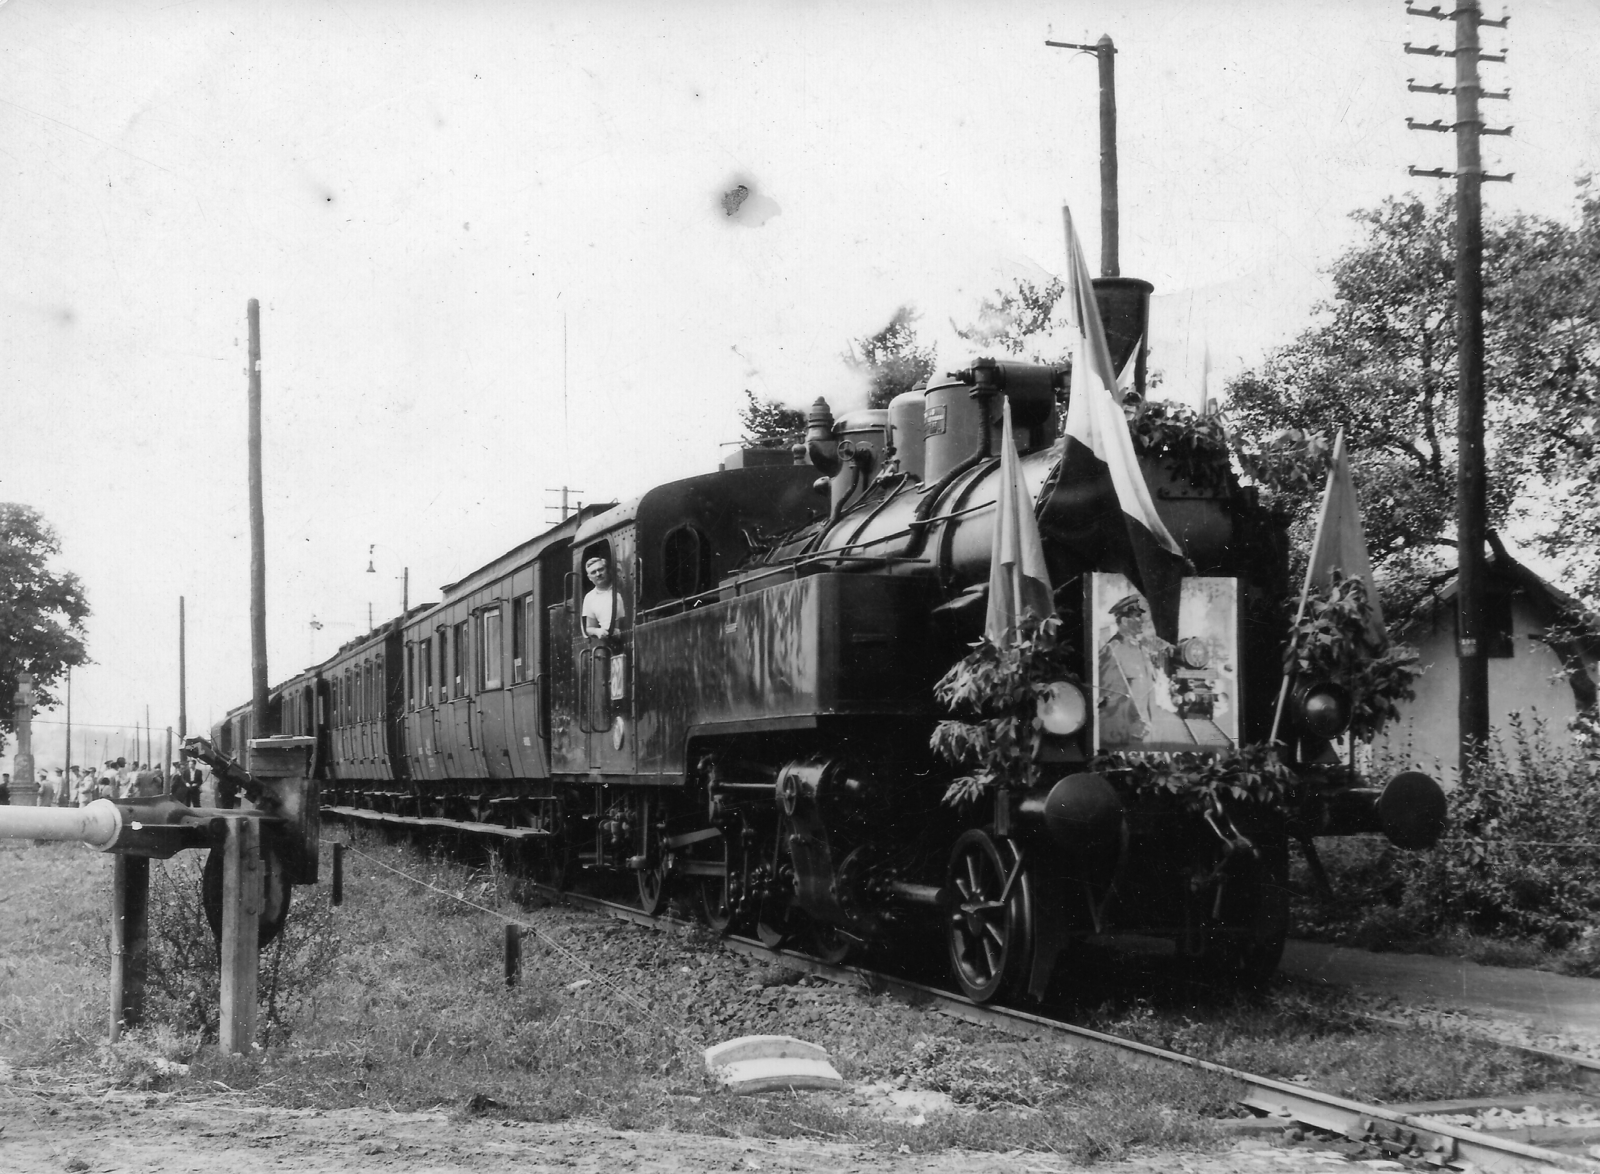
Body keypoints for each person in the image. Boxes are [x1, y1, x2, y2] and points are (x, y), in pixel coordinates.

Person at [1097, 593, 1170, 747]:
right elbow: (1107, 701)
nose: (1141, 620)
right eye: (1137, 616)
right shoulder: (1112, 651)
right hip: (1123, 736)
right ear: (1124, 621)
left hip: (1146, 736)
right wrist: (1129, 725)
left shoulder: (1141, 650)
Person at [580, 555, 626, 643]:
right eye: (593, 572)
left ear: (607, 570)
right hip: (613, 641)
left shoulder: (622, 585)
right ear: (589, 577)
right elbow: (589, 628)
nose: (598, 574)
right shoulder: (589, 598)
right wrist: (598, 631)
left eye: (601, 569)